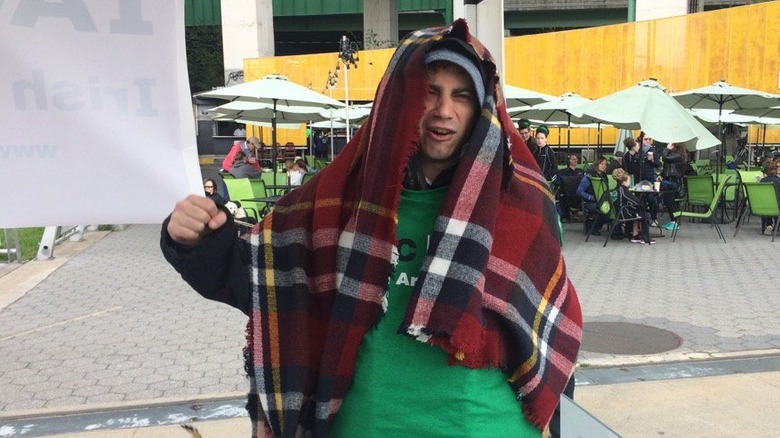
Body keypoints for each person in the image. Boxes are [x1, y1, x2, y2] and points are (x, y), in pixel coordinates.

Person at [161, 20, 581, 438]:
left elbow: (548, 337)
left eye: (462, 96)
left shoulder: (521, 205)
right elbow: (252, 279)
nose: (444, 110)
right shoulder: (339, 200)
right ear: (399, 97)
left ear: (482, 109)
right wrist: (194, 240)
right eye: (430, 91)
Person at [612, 168, 654, 244]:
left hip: (615, 212)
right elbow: (636, 201)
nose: (630, 182)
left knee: (636, 211)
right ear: (624, 182)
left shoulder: (615, 189)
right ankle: (644, 237)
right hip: (622, 213)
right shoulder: (624, 190)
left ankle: (635, 235)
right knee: (642, 212)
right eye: (629, 181)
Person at [576, 156, 610, 235]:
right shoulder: (589, 176)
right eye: (601, 164)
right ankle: (593, 227)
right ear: (597, 164)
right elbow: (579, 191)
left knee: (613, 209)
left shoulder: (604, 176)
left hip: (601, 200)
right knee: (604, 210)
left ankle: (594, 225)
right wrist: (591, 197)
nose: (604, 166)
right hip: (589, 202)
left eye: (605, 164)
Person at [660, 141, 688, 227]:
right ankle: (673, 220)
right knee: (668, 201)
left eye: (671, 144)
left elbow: (665, 158)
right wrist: (661, 175)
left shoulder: (679, 155)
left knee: (670, 201)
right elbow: (667, 166)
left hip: (673, 181)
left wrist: (666, 149)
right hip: (668, 180)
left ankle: (675, 221)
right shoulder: (674, 155)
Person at [554, 155, 585, 222]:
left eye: (576, 159)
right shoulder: (563, 172)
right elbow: (557, 182)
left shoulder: (581, 171)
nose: (575, 160)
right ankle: (566, 216)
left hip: (579, 192)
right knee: (562, 195)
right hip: (567, 192)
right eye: (573, 159)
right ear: (569, 161)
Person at [759, 158, 780, 235]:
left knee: (769, 202)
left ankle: (769, 224)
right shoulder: (778, 181)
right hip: (777, 207)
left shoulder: (762, 181)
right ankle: (777, 226)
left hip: (765, 207)